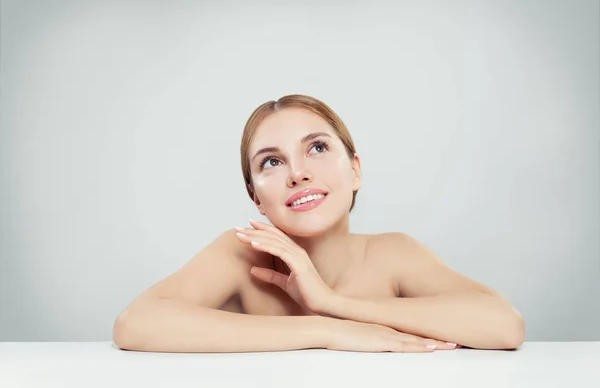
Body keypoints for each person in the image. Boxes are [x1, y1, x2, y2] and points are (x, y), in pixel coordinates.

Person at [112, 94, 525, 353]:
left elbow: (504, 325)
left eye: (318, 148)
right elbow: (135, 324)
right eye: (272, 162)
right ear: (255, 196)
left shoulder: (392, 253)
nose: (298, 173)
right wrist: (326, 330)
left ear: (356, 171)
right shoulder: (241, 251)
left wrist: (334, 303)